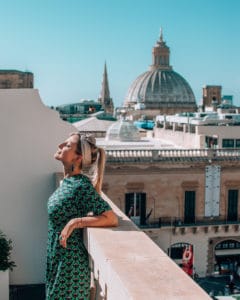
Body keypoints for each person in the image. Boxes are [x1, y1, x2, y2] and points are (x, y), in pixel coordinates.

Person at [46, 132, 118, 300]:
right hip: (58, 262)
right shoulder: (70, 182)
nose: (60, 145)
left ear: (78, 158)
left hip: (70, 270)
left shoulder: (81, 186)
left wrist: (75, 222)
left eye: (68, 145)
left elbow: (111, 218)